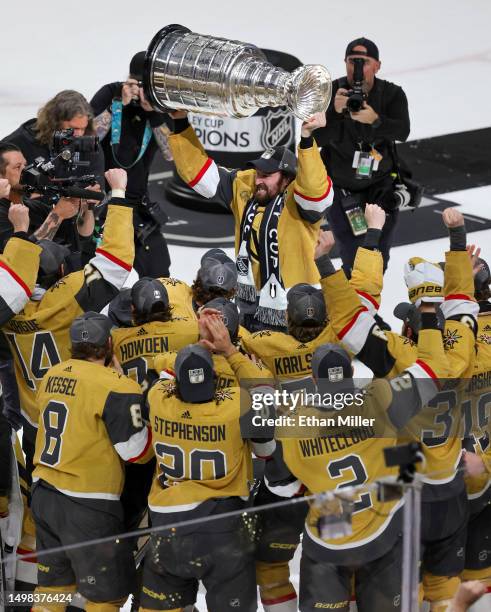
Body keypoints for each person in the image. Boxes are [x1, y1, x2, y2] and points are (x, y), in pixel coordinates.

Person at [1, 168, 134, 484]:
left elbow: (15, 273)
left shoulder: (7, 310)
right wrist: (118, 195)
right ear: (62, 269)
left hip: (34, 417)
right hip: (78, 415)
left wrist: (29, 231)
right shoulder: (67, 298)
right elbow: (116, 261)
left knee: (38, 489)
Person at [31, 311, 153, 611]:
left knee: (52, 591)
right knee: (107, 596)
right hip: (88, 504)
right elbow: (135, 453)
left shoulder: (51, 375)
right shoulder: (117, 385)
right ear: (110, 343)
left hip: (44, 494)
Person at [168, 110, 333, 332]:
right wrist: (180, 121)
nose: (258, 180)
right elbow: (199, 175)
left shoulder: (300, 198)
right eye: (257, 172)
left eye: (267, 175)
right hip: (249, 307)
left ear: (286, 178)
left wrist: (306, 139)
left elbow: (315, 189)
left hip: (298, 309)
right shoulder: (244, 185)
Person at [140, 343, 275, 612]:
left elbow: (159, 367)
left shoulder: (158, 399)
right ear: (215, 378)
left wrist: (188, 351)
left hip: (168, 528)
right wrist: (229, 351)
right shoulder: (237, 403)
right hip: (222, 531)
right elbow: (266, 448)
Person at [314, 37, 410, 275]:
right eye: (351, 61)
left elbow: (403, 131)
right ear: (344, 62)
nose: (357, 68)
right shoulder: (330, 93)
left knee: (379, 254)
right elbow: (315, 139)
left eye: (364, 62)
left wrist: (375, 121)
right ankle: (355, 307)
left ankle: (368, 304)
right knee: (351, 253)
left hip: (379, 187)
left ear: (377, 65)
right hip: (340, 189)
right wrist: (335, 113)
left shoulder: (392, 94)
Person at [91, 52, 173, 277]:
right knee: (94, 274)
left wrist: (153, 113)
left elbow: (172, 154)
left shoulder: (162, 105)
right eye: (137, 83)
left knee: (158, 271)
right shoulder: (110, 93)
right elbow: (88, 138)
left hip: (136, 203)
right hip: (99, 201)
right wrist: (116, 106)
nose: (141, 90)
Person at [0, 142, 94, 254]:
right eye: (18, 167)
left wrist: (87, 207)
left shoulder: (33, 206)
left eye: (25, 165)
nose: (26, 171)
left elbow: (83, 235)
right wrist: (57, 215)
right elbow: (21, 257)